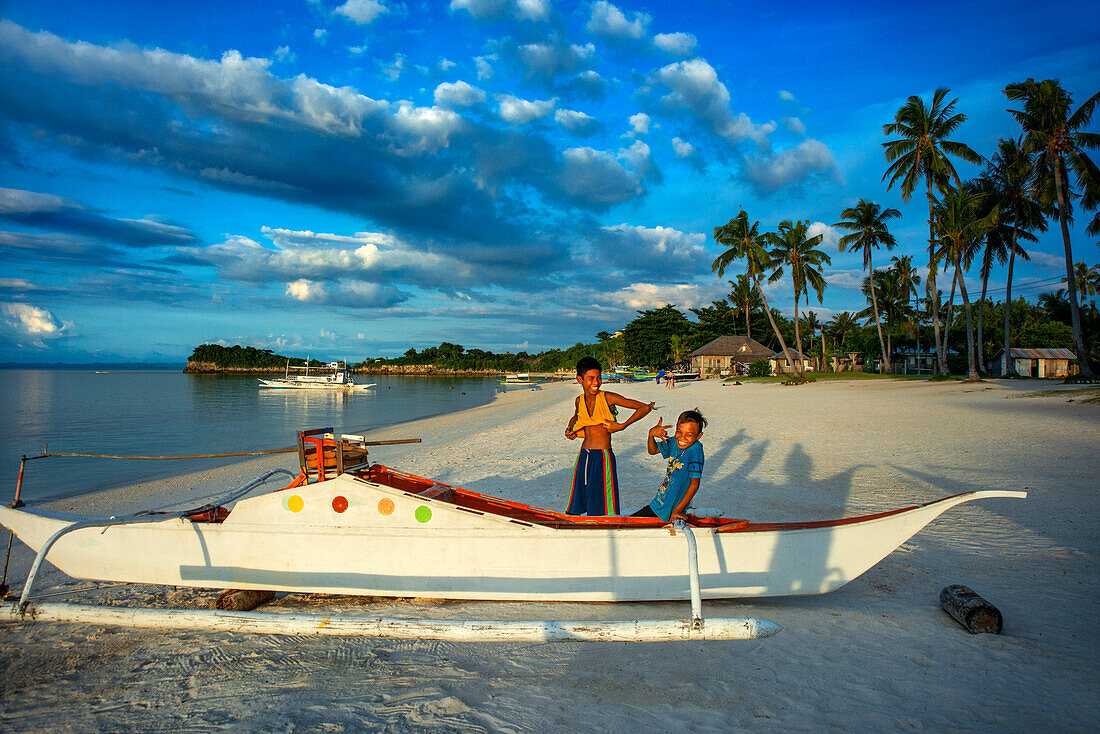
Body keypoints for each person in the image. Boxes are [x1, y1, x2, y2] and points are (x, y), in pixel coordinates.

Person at [565, 356, 654, 516]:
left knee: (602, 504)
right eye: (591, 378)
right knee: (579, 497)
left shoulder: (607, 398)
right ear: (580, 379)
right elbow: (577, 416)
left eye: (599, 378)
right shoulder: (579, 400)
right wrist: (570, 428)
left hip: (602, 456)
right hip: (584, 455)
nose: (596, 382)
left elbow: (644, 408)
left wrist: (622, 426)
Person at [630, 408, 706, 522]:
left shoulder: (695, 451)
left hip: (670, 510)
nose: (682, 438)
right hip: (659, 503)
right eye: (679, 432)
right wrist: (651, 435)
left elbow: (694, 485)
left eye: (689, 435)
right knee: (630, 521)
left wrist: (678, 510)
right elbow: (653, 450)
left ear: (699, 436)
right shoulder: (675, 441)